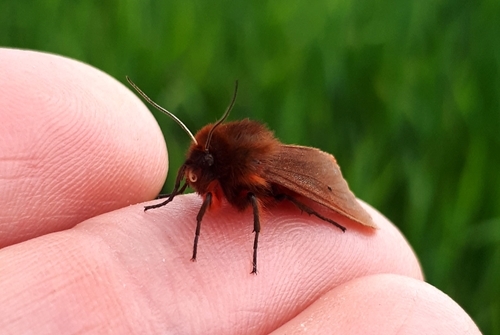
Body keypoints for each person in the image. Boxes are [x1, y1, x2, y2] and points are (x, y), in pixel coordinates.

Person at [0, 48, 481, 334]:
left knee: (287, 200)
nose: (193, 174)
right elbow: (195, 175)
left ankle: (330, 216)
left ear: (222, 164)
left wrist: (262, 242)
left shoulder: (247, 173)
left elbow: (246, 195)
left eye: (200, 169)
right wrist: (173, 201)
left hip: (300, 176)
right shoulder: (206, 162)